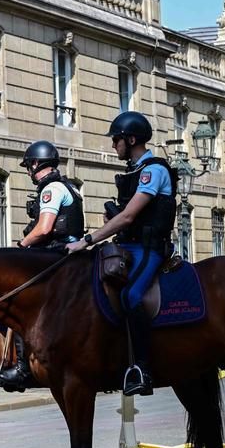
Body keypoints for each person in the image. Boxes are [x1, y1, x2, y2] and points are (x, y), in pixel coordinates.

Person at [65, 111, 176, 396]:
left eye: (116, 140)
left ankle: (142, 368)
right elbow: (126, 218)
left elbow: (129, 217)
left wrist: (87, 240)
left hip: (149, 249)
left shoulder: (153, 170)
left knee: (131, 295)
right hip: (127, 246)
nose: (114, 145)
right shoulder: (134, 171)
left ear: (131, 139)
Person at [0, 140, 86, 392]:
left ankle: (23, 368)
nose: (28, 171)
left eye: (28, 166)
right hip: (67, 254)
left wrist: (21, 246)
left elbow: (44, 228)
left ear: (36, 164)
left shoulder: (51, 189)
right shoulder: (69, 187)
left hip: (56, 254)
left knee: (19, 298)